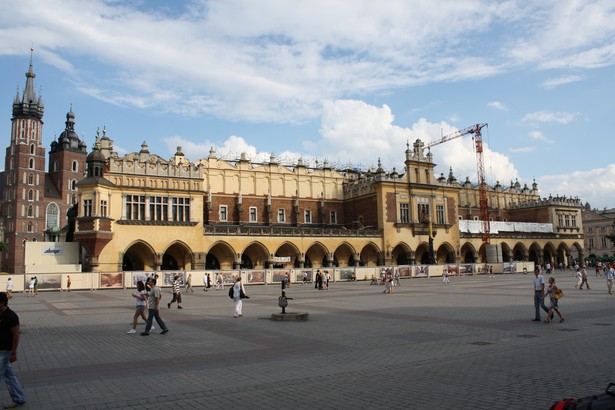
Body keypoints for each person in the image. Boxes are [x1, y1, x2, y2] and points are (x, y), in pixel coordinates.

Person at [0, 292, 26, 408]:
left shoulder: (11, 316)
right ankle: (19, 398)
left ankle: (18, 398)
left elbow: (16, 335)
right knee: (9, 376)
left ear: (2, 303)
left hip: (5, 352)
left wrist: (13, 352)